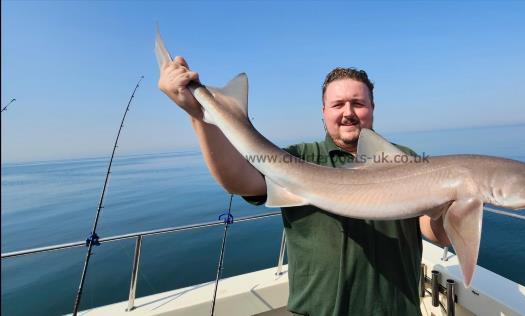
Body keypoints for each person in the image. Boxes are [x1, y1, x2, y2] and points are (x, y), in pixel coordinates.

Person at [159, 57, 450, 315]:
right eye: (338, 104)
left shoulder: (406, 161)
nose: (348, 112)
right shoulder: (298, 159)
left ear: (372, 108)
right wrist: (198, 116)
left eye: (358, 103)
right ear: (324, 111)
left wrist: (453, 206)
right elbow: (237, 180)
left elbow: (433, 230)